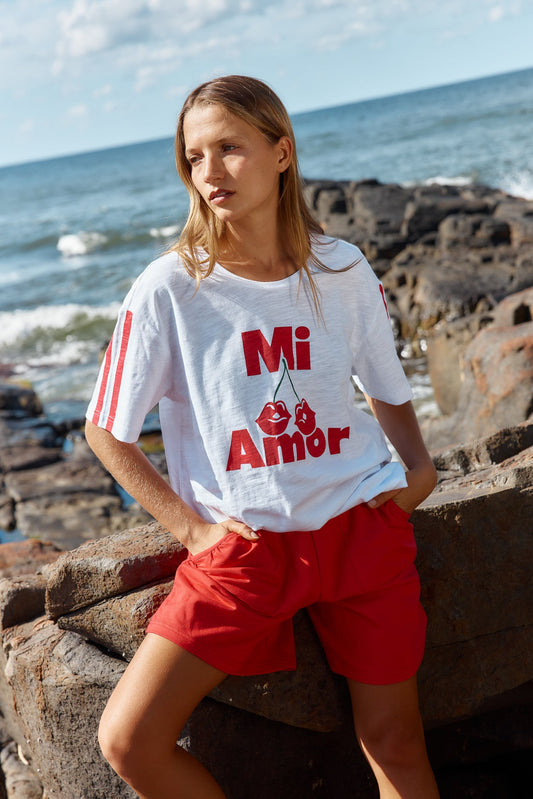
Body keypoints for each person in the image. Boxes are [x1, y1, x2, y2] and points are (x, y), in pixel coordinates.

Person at [85, 75, 440, 799]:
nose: (209, 172)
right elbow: (106, 430)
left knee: (395, 741)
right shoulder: (171, 288)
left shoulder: (340, 266)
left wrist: (418, 468)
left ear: (281, 152)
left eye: (229, 148)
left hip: (358, 528)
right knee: (128, 738)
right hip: (243, 550)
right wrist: (191, 529)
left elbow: (385, 379)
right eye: (194, 156)